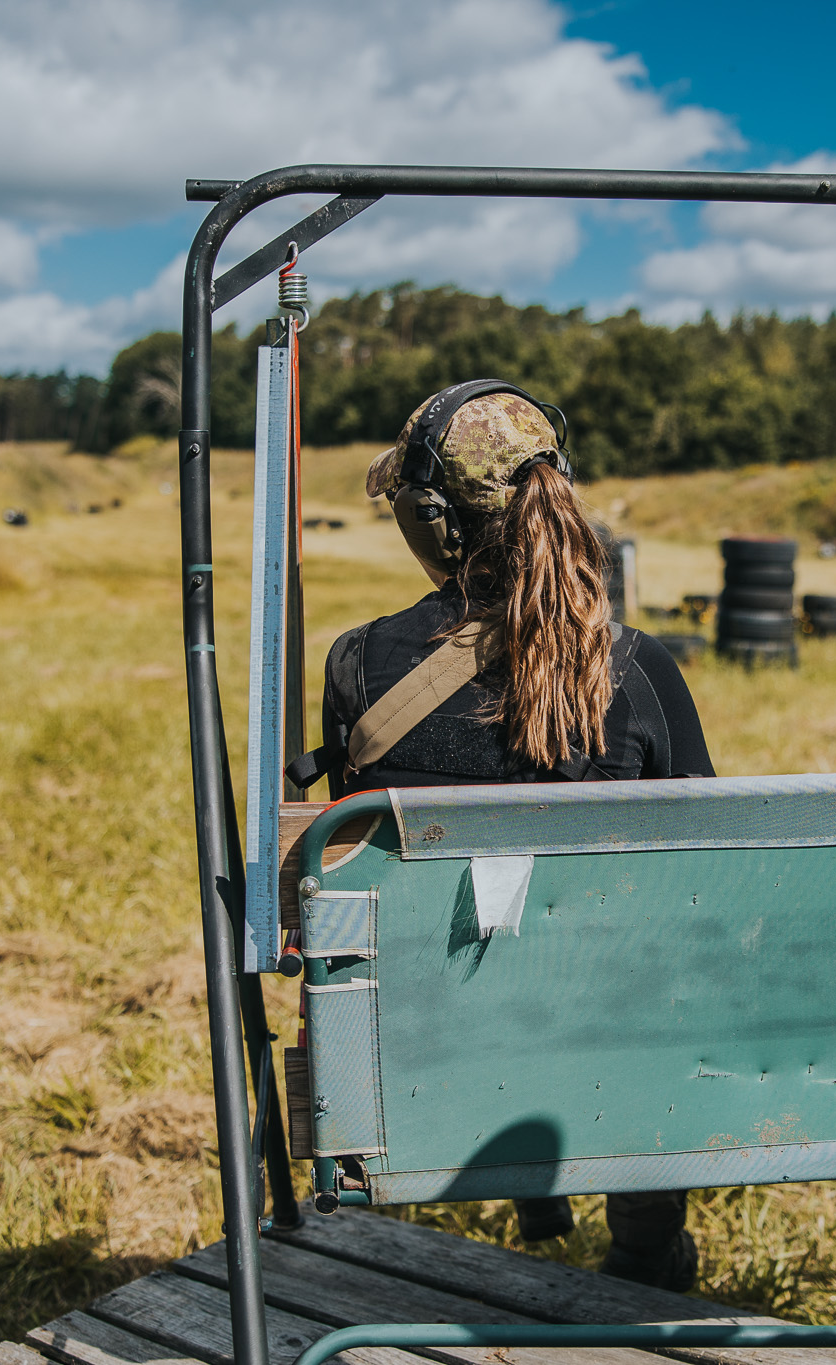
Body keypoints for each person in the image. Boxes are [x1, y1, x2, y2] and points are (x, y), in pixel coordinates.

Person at [295, 379, 714, 1292]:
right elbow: (700, 889)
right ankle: (643, 1249)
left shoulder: (357, 666)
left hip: (424, 1063)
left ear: (434, 522)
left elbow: (350, 878)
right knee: (645, 978)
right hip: (614, 1067)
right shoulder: (640, 670)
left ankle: (511, 1198)